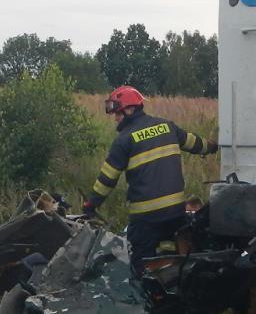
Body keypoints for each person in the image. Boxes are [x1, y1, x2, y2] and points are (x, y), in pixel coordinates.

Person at [81, 86, 217, 273]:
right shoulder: (168, 127)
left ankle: (147, 296)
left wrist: (90, 204)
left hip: (146, 220)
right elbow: (195, 143)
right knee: (177, 261)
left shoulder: (123, 140)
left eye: (118, 113)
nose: (115, 118)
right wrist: (212, 147)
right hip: (176, 213)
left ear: (129, 110)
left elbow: (107, 179)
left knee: (141, 269)